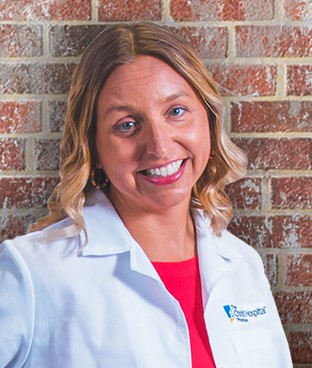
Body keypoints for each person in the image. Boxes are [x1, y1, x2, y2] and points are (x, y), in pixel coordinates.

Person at [0, 22, 292, 368]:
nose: (159, 145)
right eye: (127, 125)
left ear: (209, 120)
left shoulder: (243, 265)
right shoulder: (33, 272)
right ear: (92, 145)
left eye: (176, 112)